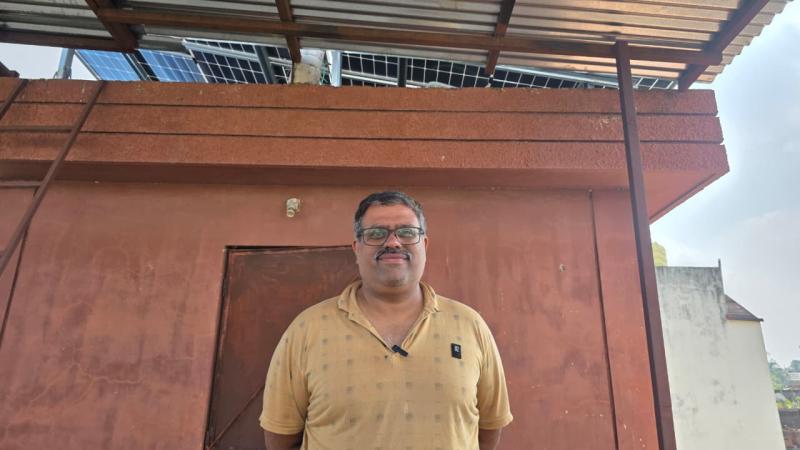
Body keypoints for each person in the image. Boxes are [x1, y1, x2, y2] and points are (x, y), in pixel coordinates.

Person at [260, 191, 512, 450]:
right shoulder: (306, 330)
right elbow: (281, 438)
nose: (392, 242)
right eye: (376, 233)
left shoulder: (470, 326)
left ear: (424, 245)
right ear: (357, 248)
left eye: (407, 232)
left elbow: (489, 427)